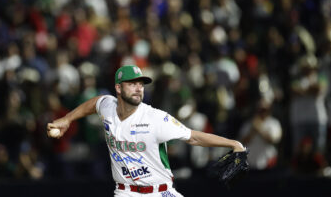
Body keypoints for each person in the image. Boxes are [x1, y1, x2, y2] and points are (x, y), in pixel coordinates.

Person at [47, 65, 245, 196]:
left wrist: (232, 143)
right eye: (132, 84)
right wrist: (67, 119)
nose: (138, 88)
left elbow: (193, 136)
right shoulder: (108, 106)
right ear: (118, 88)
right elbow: (94, 103)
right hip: (126, 192)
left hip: (160, 193)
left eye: (141, 84)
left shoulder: (155, 118)